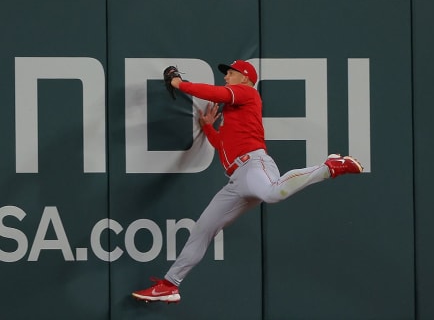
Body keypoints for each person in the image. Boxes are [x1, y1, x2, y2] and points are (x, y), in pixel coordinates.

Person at [132, 60, 363, 303]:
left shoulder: (248, 93)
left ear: (244, 77)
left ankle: (329, 167)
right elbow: (223, 147)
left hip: (254, 165)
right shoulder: (235, 114)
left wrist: (179, 83)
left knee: (272, 193)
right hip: (237, 180)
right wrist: (209, 128)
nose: (226, 78)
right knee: (203, 228)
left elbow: (215, 93)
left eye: (230, 74)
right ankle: (170, 284)